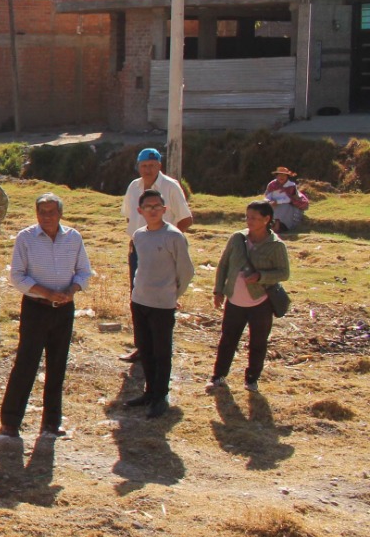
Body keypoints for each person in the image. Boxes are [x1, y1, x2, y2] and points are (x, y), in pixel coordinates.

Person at [0, 194, 92, 441]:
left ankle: (51, 423)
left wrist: (71, 291)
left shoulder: (73, 238)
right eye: (42, 212)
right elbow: (17, 277)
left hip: (64, 309)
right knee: (26, 363)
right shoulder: (26, 238)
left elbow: (84, 271)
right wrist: (47, 292)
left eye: (51, 212)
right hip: (35, 308)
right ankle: (10, 422)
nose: (47, 217)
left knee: (57, 365)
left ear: (60, 213)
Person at [125, 189, 195, 418]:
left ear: (164, 210)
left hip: (163, 304)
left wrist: (173, 295)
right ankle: (149, 391)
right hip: (140, 300)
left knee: (161, 351)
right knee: (145, 348)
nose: (153, 210)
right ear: (140, 211)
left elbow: (186, 271)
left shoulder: (173, 236)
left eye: (157, 206)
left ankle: (160, 396)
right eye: (148, 207)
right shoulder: (139, 235)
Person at [121, 147, 194, 364]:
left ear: (159, 166)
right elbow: (129, 217)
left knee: (162, 300)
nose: (148, 170)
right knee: (137, 296)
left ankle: (159, 348)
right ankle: (141, 346)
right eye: (144, 166)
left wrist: (168, 241)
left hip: (163, 251)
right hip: (138, 249)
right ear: (138, 166)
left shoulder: (170, 187)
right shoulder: (134, 187)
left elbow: (185, 218)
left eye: (152, 165)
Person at [210, 200, 290, 394]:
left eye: (254, 218)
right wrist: (218, 290)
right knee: (228, 339)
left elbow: (284, 273)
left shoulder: (276, 245)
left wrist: (261, 276)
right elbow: (224, 265)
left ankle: (252, 379)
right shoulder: (237, 238)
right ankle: (218, 376)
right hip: (234, 300)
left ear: (266, 219)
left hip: (260, 302)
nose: (249, 221)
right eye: (247, 216)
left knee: (258, 342)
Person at [264, 167, 308, 232]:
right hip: (273, 205)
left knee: (283, 207)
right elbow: (268, 196)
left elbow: (290, 199)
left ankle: (280, 226)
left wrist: (278, 202)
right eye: (279, 175)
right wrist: (269, 202)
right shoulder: (272, 184)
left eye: (284, 175)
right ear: (277, 176)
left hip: (288, 206)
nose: (281, 177)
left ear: (287, 176)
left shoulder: (291, 185)